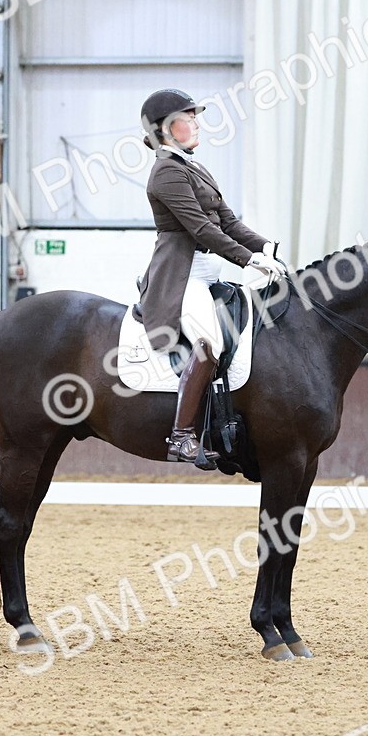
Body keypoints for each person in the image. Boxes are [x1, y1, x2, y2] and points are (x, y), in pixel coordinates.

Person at [136, 88, 283, 466]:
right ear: (167, 130)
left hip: (207, 273)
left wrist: (267, 249)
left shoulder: (192, 166)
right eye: (188, 118)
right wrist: (248, 260)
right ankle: (181, 436)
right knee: (210, 342)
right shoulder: (166, 172)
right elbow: (201, 229)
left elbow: (228, 221)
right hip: (181, 278)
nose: (197, 123)